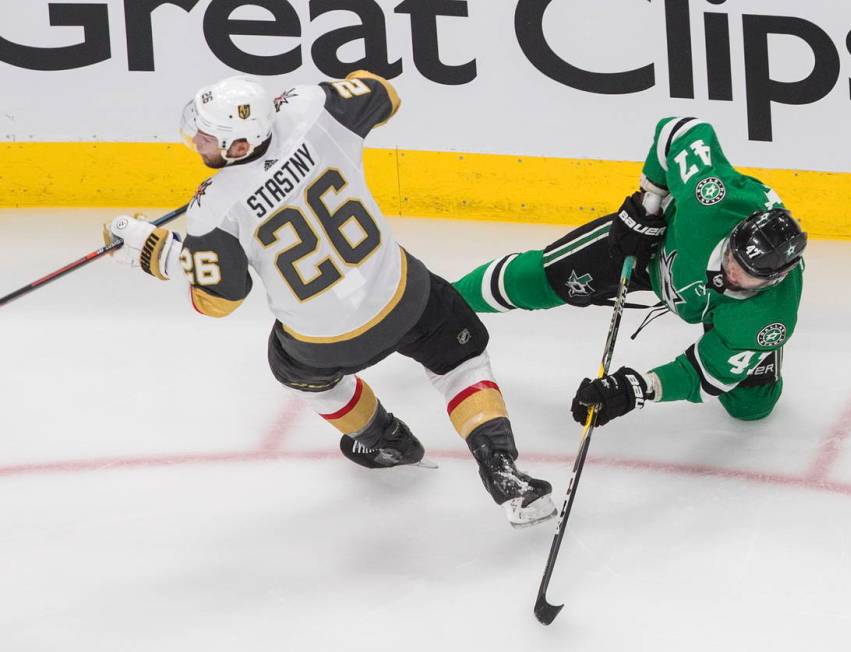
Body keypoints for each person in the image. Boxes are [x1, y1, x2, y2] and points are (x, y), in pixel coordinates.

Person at [103, 72, 556, 528]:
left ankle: (385, 440)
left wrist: (156, 252)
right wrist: (308, 102)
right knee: (462, 364)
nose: (196, 142)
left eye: (207, 137)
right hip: (404, 300)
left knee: (292, 369)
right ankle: (502, 471)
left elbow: (221, 299)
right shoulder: (312, 111)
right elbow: (386, 95)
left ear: (240, 147)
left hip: (321, 345)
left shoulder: (212, 207)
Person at [453, 117, 806, 425]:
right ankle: (440, 302)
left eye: (746, 274)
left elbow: (704, 375)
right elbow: (679, 130)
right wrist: (648, 201)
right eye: (732, 255)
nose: (731, 270)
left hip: (724, 310)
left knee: (751, 407)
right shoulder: (710, 199)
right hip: (652, 243)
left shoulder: (767, 319)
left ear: (774, 279)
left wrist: (637, 388)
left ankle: (742, 343)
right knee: (541, 279)